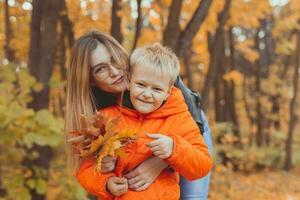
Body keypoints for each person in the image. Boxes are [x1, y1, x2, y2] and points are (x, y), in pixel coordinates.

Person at [65, 30, 213, 199]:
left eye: (114, 60)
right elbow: (88, 168)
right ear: (90, 79)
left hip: (194, 123)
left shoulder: (153, 71)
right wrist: (105, 176)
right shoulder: (101, 114)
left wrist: (162, 160)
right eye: (100, 69)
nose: (114, 71)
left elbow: (196, 152)